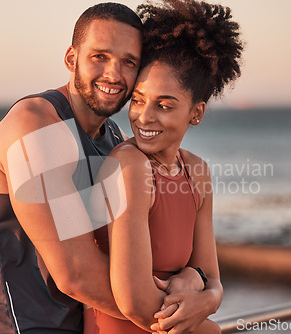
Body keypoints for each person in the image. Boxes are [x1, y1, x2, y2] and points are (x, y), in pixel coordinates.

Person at [0, 3, 210, 333]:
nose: (114, 73)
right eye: (100, 56)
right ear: (71, 59)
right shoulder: (34, 126)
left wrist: (197, 280)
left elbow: (143, 252)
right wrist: (187, 319)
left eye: (129, 62)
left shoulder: (115, 140)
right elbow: (75, 274)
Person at [84, 0, 243, 333]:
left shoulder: (197, 173)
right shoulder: (128, 165)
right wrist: (209, 319)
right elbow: (138, 304)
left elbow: (213, 279)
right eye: (138, 99)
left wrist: (200, 284)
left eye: (164, 105)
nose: (144, 117)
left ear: (196, 113)